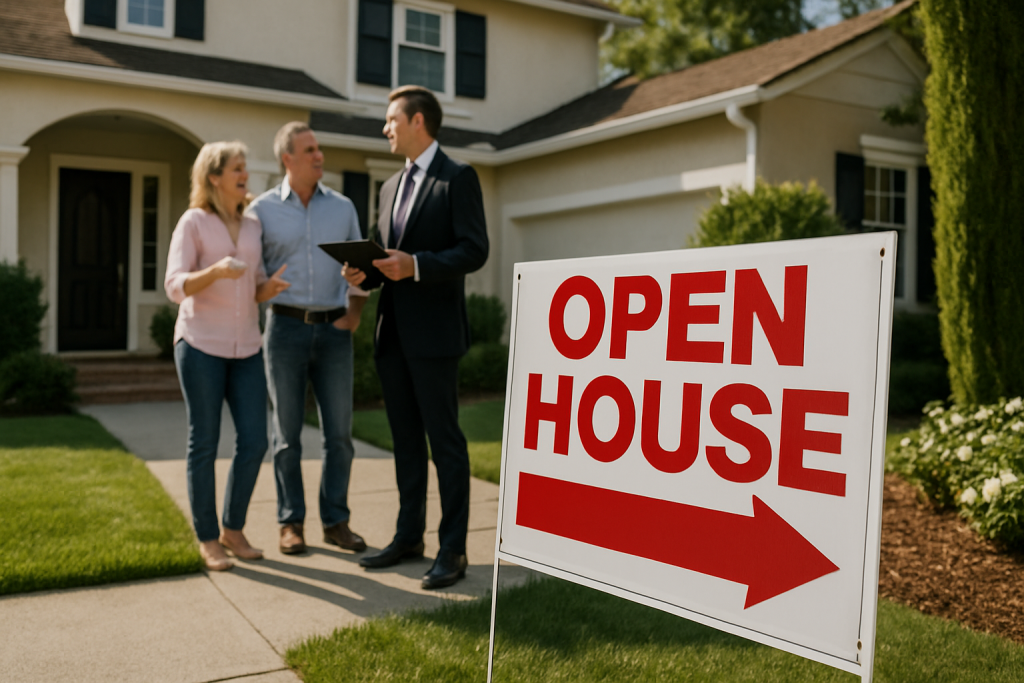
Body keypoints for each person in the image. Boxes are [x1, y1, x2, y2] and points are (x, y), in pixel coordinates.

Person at [344, 86, 489, 589]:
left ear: (418, 121)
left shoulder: (458, 178)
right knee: (406, 443)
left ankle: (454, 550)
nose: (385, 128)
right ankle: (409, 537)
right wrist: (368, 274)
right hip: (393, 338)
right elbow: (392, 265)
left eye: (391, 120)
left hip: (436, 337)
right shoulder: (388, 189)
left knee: (444, 444)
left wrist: (419, 265)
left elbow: (474, 250)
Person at [165, 141, 290, 571]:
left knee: (255, 440)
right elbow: (175, 286)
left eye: (245, 168)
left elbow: (251, 284)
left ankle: (232, 529)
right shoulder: (194, 222)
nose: (245, 175)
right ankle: (207, 538)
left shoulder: (252, 225)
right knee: (204, 442)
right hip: (200, 345)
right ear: (214, 176)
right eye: (237, 168)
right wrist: (216, 271)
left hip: (247, 346)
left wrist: (266, 289)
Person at [248, 122, 368, 556]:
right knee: (287, 434)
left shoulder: (342, 207)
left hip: (335, 329)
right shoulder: (260, 211)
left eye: (319, 149)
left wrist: (353, 316)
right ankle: (290, 522)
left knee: (339, 434)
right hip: (284, 329)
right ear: (288, 159)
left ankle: (336, 521)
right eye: (310, 150)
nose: (320, 156)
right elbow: (250, 275)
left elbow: (362, 268)